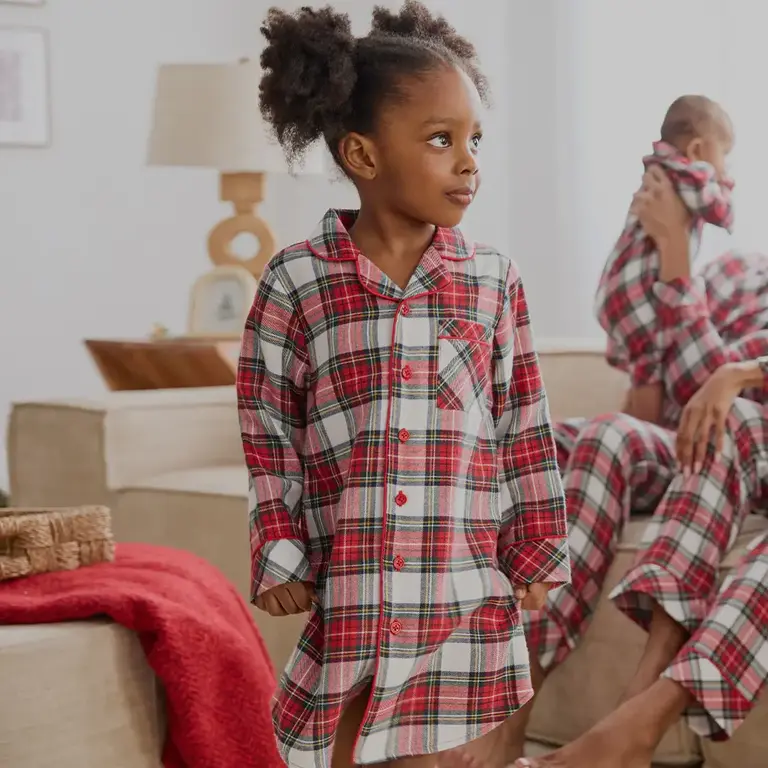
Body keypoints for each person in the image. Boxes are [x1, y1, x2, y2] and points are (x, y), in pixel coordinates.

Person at [236, 4, 570, 768]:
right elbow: (266, 424)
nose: (469, 162)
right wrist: (278, 543)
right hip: (358, 584)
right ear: (362, 153)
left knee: (458, 753)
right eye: (441, 140)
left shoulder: (491, 281)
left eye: (475, 140)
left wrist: (540, 544)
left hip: (463, 584)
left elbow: (523, 423)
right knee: (348, 746)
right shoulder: (298, 280)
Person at [510, 166, 768, 768]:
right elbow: (663, 399)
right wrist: (662, 258)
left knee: (728, 419)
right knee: (606, 434)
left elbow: (723, 389)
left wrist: (739, 371)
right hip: (703, 451)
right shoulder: (733, 272)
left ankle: (633, 719)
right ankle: (516, 702)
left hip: (742, 434)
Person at [594, 95, 735, 426]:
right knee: (649, 355)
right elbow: (721, 213)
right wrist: (725, 188)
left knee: (644, 358)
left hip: (618, 288)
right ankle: (646, 432)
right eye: (724, 157)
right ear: (699, 150)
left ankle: (634, 425)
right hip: (638, 291)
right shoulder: (689, 173)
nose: (726, 170)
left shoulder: (658, 169)